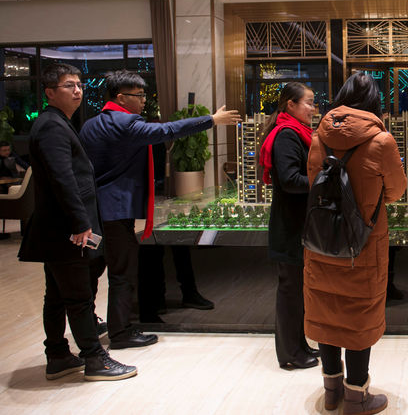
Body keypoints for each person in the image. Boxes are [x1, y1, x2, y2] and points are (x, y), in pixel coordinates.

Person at [79, 70, 241, 350]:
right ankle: (120, 332)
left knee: (92, 271)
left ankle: (90, 326)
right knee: (122, 273)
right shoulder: (126, 123)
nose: (144, 101)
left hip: (92, 211)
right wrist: (212, 120)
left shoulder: (90, 125)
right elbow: (166, 130)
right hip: (116, 212)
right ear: (120, 97)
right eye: (138, 96)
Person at [18, 63, 136, 381]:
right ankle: (95, 358)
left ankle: (57, 355)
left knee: (57, 296)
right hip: (66, 230)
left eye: (79, 84)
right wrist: (80, 223)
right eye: (69, 85)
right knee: (79, 295)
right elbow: (63, 179)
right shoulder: (52, 127)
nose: (77, 90)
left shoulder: (58, 123)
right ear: (49, 92)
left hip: (59, 229)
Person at [304, 72, 406, 414]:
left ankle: (331, 390)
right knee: (357, 318)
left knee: (326, 314)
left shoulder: (319, 138)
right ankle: (356, 397)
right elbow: (395, 191)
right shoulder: (382, 141)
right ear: (374, 103)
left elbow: (312, 183)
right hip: (362, 245)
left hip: (321, 241)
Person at [259, 82, 320, 370]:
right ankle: (289, 354)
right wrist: (323, 181)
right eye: (308, 102)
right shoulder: (286, 135)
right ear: (290, 105)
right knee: (290, 292)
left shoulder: (297, 133)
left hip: (298, 225)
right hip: (289, 226)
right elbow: (290, 180)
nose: (313, 108)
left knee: (297, 291)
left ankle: (299, 345)